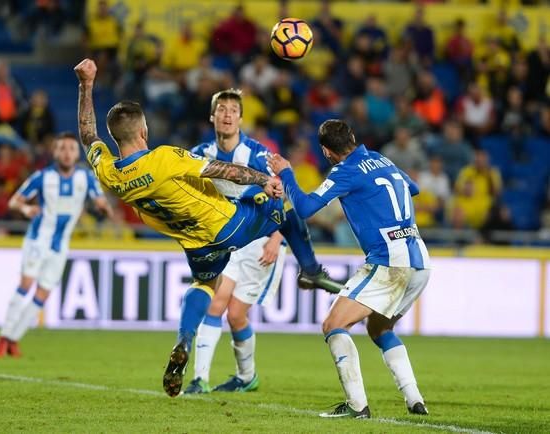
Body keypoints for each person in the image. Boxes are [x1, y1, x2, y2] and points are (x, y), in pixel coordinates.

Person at [74, 58, 341, 397]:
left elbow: (87, 134)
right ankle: (311, 270)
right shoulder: (165, 158)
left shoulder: (107, 171)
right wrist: (265, 181)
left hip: (193, 243)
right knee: (285, 209)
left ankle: (184, 340)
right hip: (228, 225)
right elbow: (223, 171)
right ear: (144, 131)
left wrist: (86, 85)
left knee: (204, 283)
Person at [267, 119, 431, 418]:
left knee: (333, 324)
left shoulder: (345, 171)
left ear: (327, 152)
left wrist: (286, 172)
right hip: (420, 260)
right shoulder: (381, 157)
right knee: (380, 328)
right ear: (353, 138)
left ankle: (357, 406)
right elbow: (414, 188)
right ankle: (415, 399)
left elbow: (303, 209)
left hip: (389, 261)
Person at [184, 89, 287, 394]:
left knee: (236, 314)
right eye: (222, 109)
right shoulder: (200, 155)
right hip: (226, 241)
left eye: (233, 110)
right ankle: (199, 379)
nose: (227, 115)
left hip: (260, 240)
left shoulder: (257, 154)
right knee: (216, 303)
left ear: (241, 118)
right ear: (212, 116)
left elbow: (285, 193)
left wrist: (277, 236)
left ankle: (247, 376)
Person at [0, 132, 114, 358]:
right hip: (38, 240)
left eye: (71, 148)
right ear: (55, 152)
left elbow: (100, 200)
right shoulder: (41, 177)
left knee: (43, 294)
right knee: (26, 285)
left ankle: (13, 339)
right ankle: (3, 336)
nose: (67, 153)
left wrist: (104, 207)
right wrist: (27, 209)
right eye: (62, 148)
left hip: (61, 245)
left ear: (77, 153)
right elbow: (14, 201)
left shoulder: (86, 178)